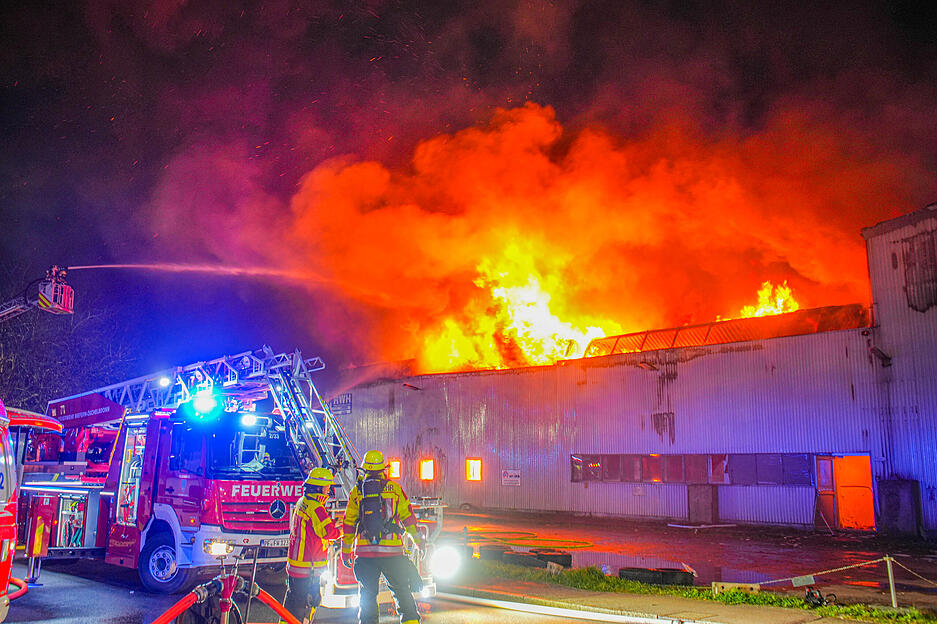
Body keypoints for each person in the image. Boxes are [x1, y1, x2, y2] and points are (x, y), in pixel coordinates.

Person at [341, 450, 424, 624]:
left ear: (364, 469)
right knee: (402, 593)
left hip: (365, 555)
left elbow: (348, 524)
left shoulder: (357, 492)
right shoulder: (395, 489)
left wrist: (345, 552)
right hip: (392, 554)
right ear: (383, 469)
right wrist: (419, 543)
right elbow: (408, 519)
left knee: (367, 597)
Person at [283, 467, 341, 624]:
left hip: (295, 565)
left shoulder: (302, 502)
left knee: (291, 604)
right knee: (307, 605)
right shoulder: (316, 507)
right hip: (308, 568)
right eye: (327, 487)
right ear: (318, 488)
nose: (328, 491)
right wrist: (343, 529)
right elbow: (329, 532)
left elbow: (313, 529)